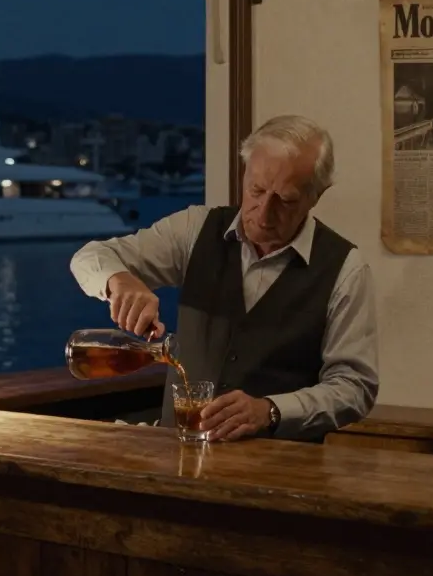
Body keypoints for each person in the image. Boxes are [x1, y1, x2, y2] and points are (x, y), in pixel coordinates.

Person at [69, 115, 378, 443]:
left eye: (285, 200)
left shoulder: (346, 268)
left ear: (316, 196)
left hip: (284, 471)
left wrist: (271, 410)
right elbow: (88, 258)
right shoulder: (194, 230)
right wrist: (121, 281)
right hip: (178, 463)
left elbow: (354, 387)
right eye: (256, 190)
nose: (263, 213)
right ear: (244, 174)